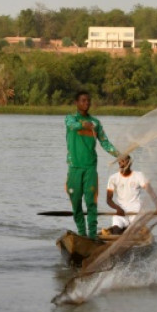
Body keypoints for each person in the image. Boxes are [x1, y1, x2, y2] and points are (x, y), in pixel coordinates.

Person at [65, 90, 119, 239]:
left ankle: (92, 235)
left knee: (91, 202)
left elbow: (105, 143)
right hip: (74, 167)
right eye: (83, 100)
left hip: (90, 167)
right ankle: (82, 234)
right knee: (76, 202)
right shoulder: (70, 119)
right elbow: (73, 126)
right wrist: (83, 124)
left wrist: (119, 155)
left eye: (88, 100)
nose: (86, 103)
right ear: (76, 103)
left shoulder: (96, 123)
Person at [104, 154, 157, 235]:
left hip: (136, 212)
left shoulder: (139, 175)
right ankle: (118, 235)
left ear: (129, 163)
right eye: (120, 162)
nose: (121, 164)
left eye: (123, 161)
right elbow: (108, 200)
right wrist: (118, 208)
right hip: (121, 212)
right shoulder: (113, 178)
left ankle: (131, 230)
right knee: (116, 230)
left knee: (133, 231)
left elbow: (151, 192)